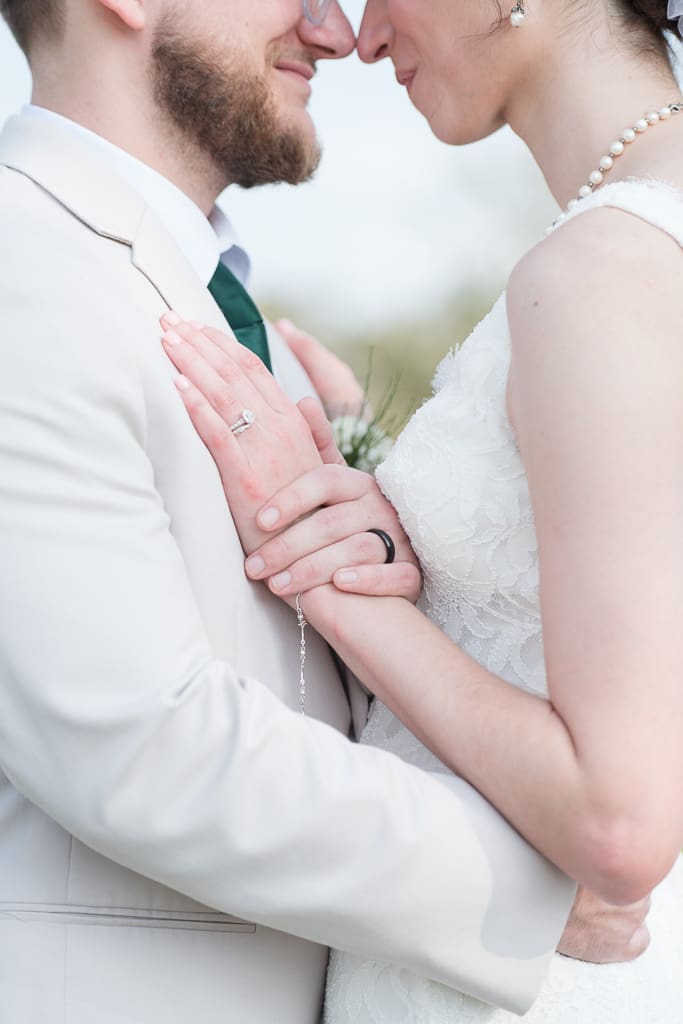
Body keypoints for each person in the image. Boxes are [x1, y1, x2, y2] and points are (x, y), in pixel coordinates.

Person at [1, 0, 649, 1020]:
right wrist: (532, 885)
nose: (334, 30)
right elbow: (138, 743)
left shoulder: (228, 310)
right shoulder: (22, 263)